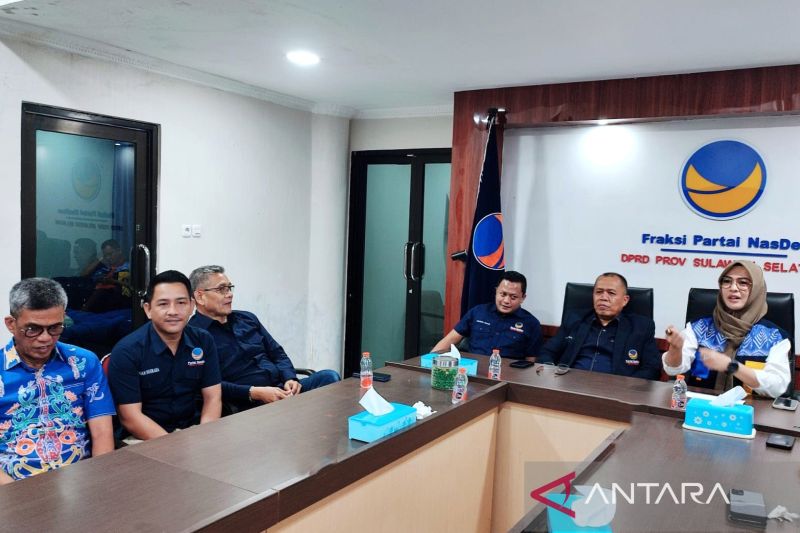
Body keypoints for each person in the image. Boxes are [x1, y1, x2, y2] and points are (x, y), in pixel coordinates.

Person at [0, 278, 115, 484]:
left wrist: (99, 482)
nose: (45, 338)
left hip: (80, 479)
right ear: (11, 324)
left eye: (55, 328)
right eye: (33, 329)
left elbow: (102, 433)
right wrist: (15, 494)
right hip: (13, 484)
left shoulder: (84, 362)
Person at [188, 265, 340, 413]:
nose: (229, 294)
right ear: (200, 297)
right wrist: (254, 392)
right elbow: (207, 385)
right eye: (222, 289)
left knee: (328, 377)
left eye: (229, 288)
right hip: (248, 405)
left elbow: (278, 354)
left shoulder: (247, 319)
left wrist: (290, 378)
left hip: (283, 391)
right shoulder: (193, 335)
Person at [107, 270, 222, 439]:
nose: (173, 311)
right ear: (148, 309)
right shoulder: (127, 351)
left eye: (181, 303)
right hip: (144, 437)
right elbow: (130, 417)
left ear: (191, 306)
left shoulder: (203, 340)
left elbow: (213, 397)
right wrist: (173, 446)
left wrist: (205, 437)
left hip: (193, 430)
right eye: (163, 304)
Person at [663, 261, 790, 397]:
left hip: (751, 409)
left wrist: (732, 366)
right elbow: (672, 370)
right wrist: (675, 349)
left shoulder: (774, 337)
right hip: (700, 405)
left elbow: (777, 386)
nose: (733, 288)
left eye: (743, 283)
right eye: (727, 281)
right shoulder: (699, 328)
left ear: (756, 289)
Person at [538, 273, 661, 379]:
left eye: (611, 293)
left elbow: (652, 368)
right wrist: (550, 370)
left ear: (625, 300)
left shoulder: (641, 327)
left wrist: (626, 387)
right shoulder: (575, 319)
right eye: (599, 292)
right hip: (569, 385)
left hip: (615, 392)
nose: (603, 297)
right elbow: (547, 351)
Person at [432, 271, 542, 359]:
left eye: (513, 297)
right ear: (496, 291)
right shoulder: (478, 312)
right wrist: (427, 362)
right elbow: (450, 339)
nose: (506, 301)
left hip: (508, 376)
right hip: (472, 370)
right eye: (503, 294)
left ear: (523, 298)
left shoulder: (531, 324)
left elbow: (530, 361)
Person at [83, 239, 132, 312]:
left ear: (119, 251)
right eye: (105, 255)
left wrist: (113, 281)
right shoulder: (104, 268)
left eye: (110, 254)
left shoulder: (129, 267)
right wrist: (100, 258)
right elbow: (84, 275)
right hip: (99, 306)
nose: (108, 258)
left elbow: (135, 287)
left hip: (121, 305)